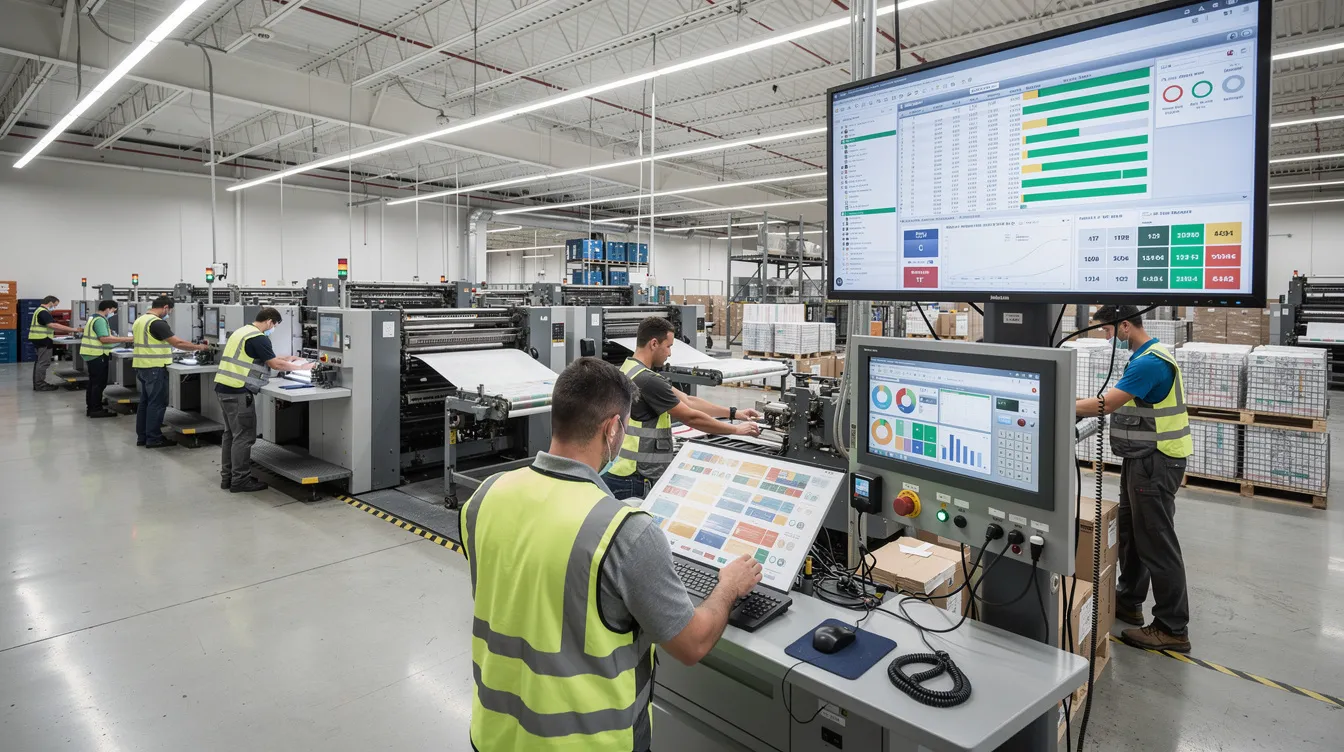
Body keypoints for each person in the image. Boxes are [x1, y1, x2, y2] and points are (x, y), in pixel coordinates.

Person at [460, 357, 762, 752]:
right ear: (613, 429)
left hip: (495, 734)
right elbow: (693, 644)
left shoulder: (485, 496)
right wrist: (728, 587)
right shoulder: (625, 531)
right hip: (588, 742)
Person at [1075, 304, 1192, 653]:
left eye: (1109, 331)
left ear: (1125, 325)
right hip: (1141, 458)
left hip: (1157, 462)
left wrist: (1056, 399)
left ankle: (1173, 627)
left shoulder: (1149, 362)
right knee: (1131, 534)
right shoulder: (1144, 355)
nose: (1107, 337)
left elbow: (1106, 404)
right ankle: (1129, 600)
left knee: (1157, 543)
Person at [603, 316, 763, 499]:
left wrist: (734, 413)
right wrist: (735, 430)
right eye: (669, 346)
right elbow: (691, 417)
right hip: (637, 477)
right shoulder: (649, 381)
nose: (670, 353)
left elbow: (688, 400)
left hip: (623, 470)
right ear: (654, 343)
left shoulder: (629, 368)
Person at [214, 307, 313, 493]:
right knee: (244, 437)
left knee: (231, 435)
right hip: (238, 392)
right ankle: (240, 481)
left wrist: (289, 358)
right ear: (269, 321)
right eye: (274, 325)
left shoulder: (242, 332)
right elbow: (275, 364)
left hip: (223, 388)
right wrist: (305, 367)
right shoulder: (258, 337)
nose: (273, 329)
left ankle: (228, 477)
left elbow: (264, 356)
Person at [133, 296, 207, 448]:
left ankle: (143, 437)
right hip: (155, 367)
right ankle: (154, 439)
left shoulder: (140, 320)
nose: (169, 314)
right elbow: (177, 342)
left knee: (145, 403)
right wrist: (200, 347)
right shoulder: (157, 323)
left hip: (142, 366)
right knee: (157, 403)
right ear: (165, 307)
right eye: (170, 311)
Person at [80, 300, 133, 418]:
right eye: (113, 311)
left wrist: (116, 341)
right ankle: (96, 409)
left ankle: (92, 407)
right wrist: (127, 339)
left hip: (90, 353)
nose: (113, 313)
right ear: (108, 309)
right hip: (96, 354)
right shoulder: (100, 320)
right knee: (98, 383)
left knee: (93, 382)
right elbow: (104, 339)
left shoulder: (93, 317)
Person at [28, 295, 80, 391]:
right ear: (51, 302)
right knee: (43, 362)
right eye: (55, 305)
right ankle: (40, 385)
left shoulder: (38, 310)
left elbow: (45, 327)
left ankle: (38, 383)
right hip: (43, 340)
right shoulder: (43, 312)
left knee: (39, 362)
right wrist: (74, 330)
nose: (54, 308)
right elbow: (53, 325)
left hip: (39, 338)